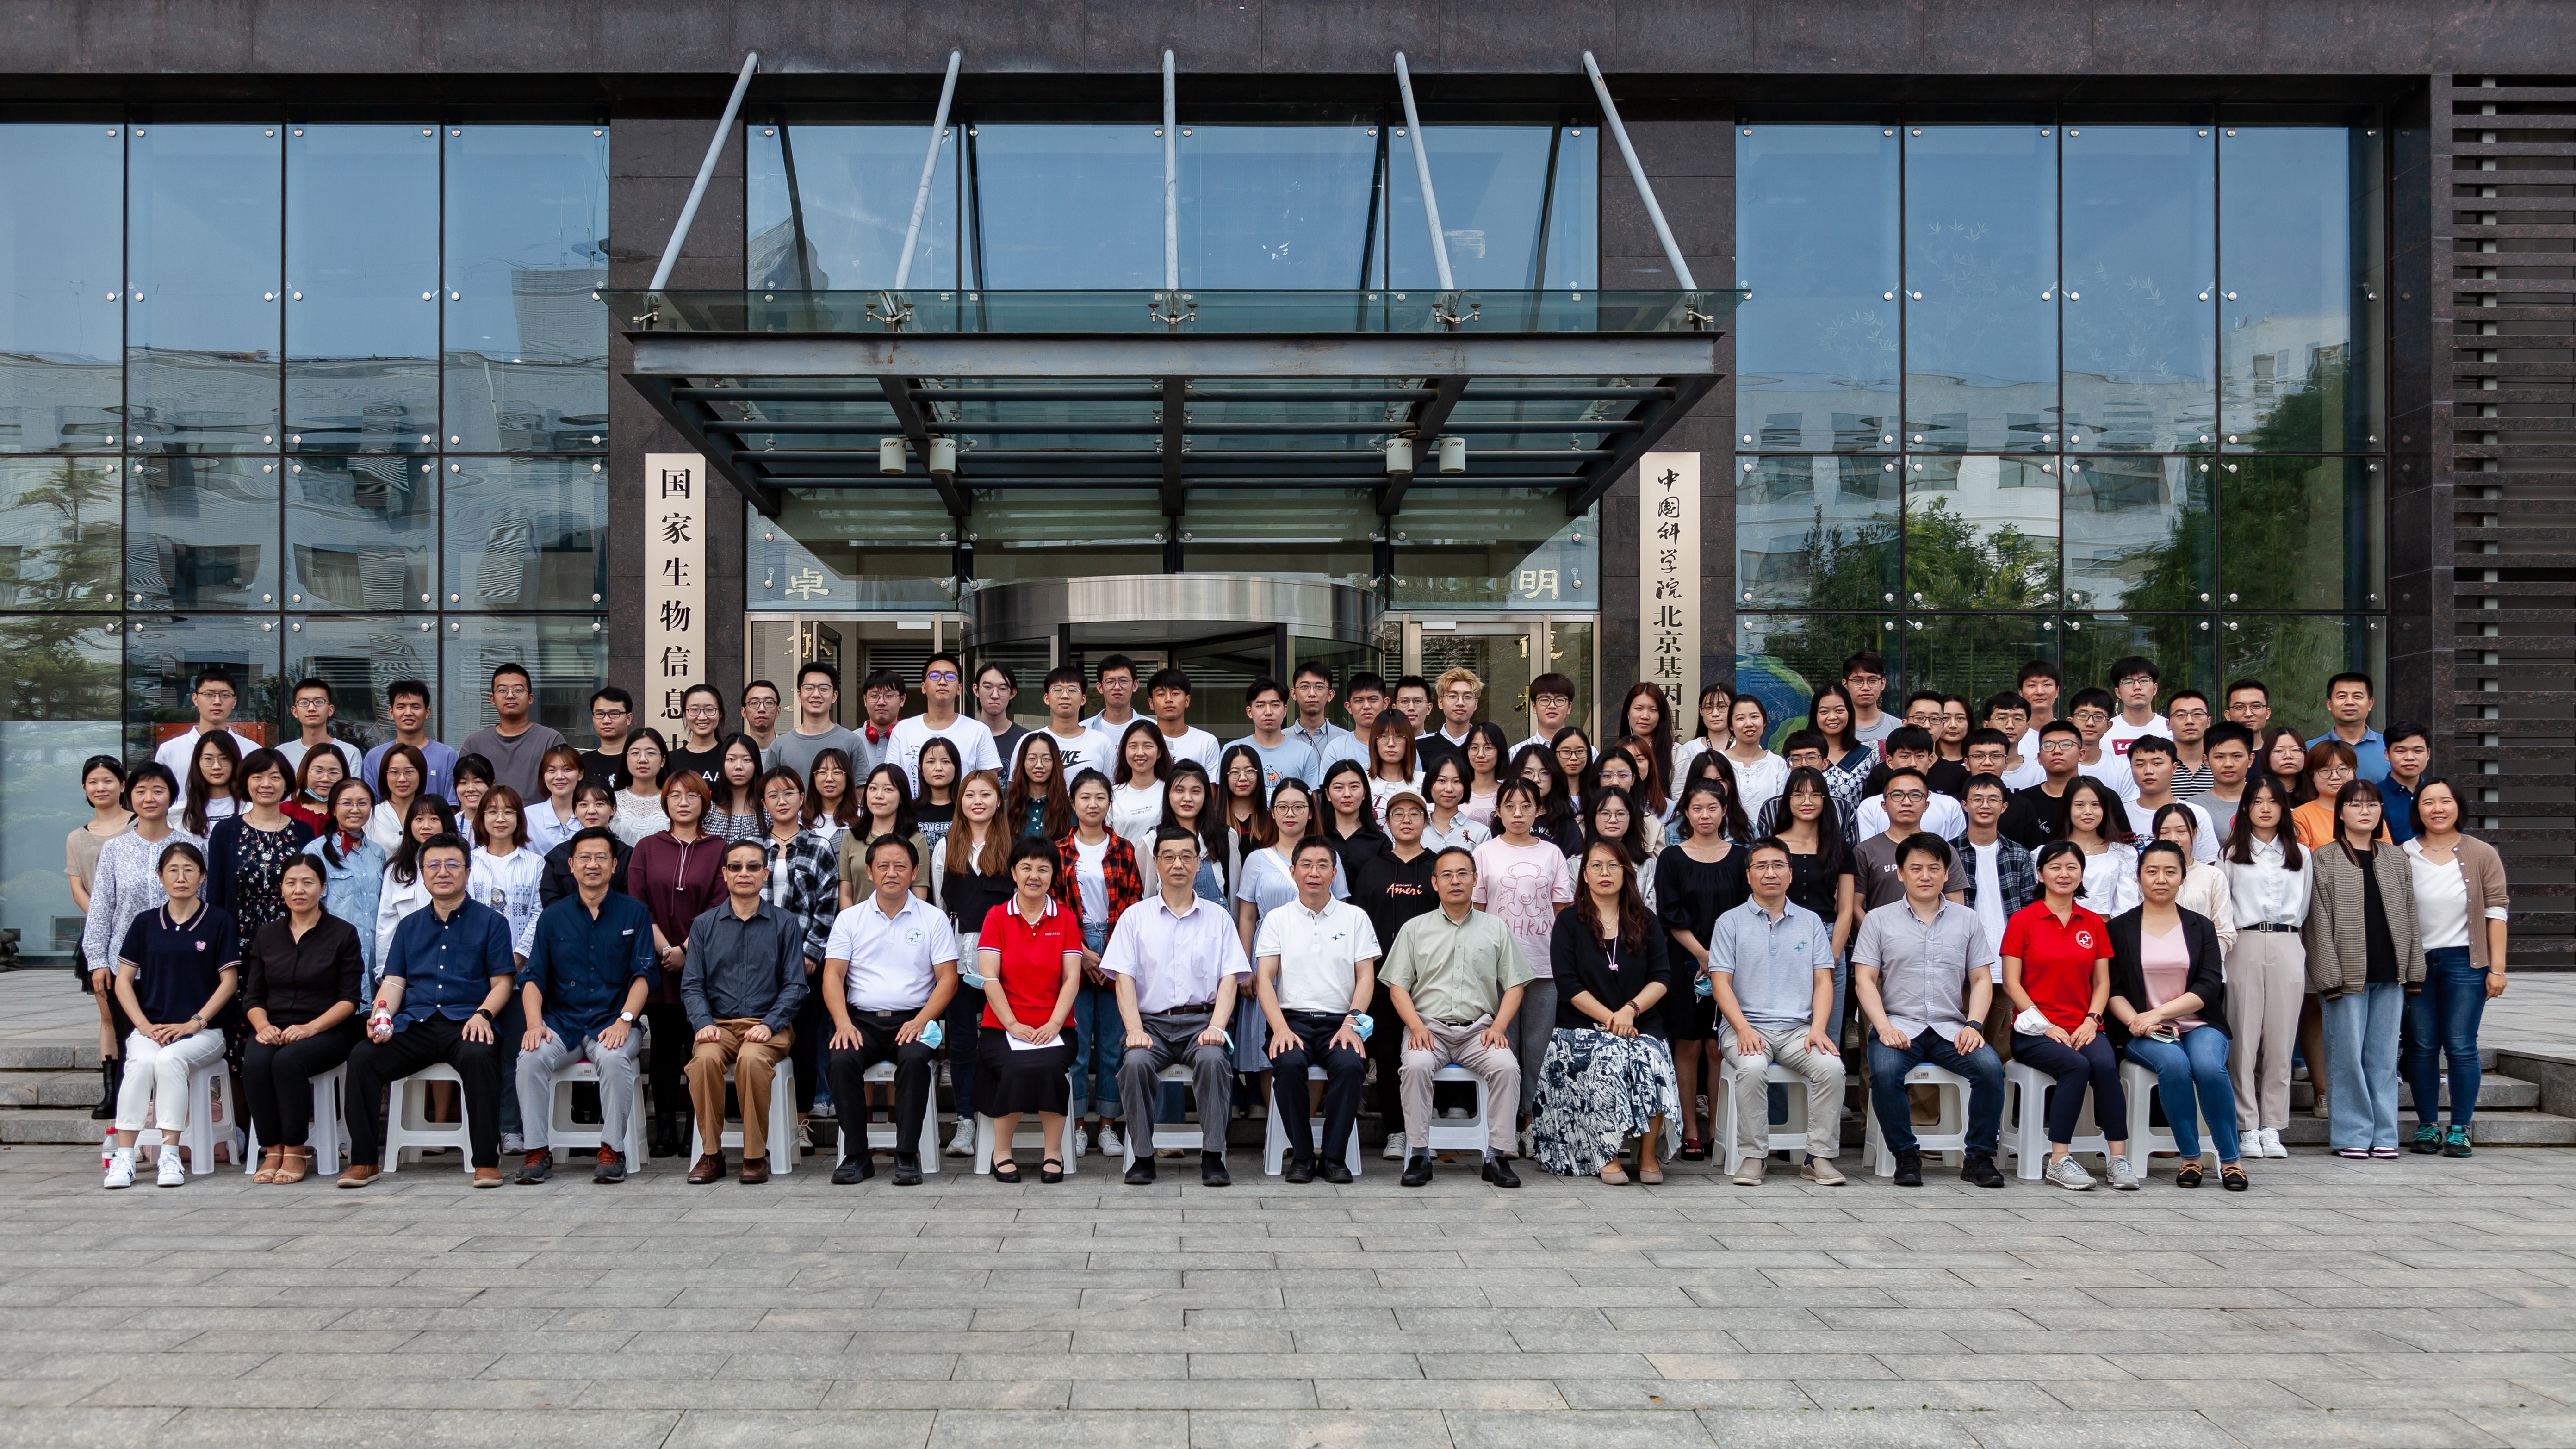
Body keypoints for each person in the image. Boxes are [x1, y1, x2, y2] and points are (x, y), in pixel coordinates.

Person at [336, 833, 517, 1188]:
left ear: (467, 872)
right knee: (362, 1056)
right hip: (416, 1023)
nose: (442, 872)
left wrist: (483, 1015)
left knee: (480, 1055)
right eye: (433, 865)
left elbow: (502, 983)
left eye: (452, 864)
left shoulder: (491, 922)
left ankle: (485, 1161)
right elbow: (394, 982)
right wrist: (381, 1013)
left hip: (467, 1022)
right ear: (422, 873)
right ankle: (364, 1161)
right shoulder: (409, 925)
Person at [1851, 832, 2009, 1188]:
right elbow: (1865, 980)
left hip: (1950, 1028)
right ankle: (1906, 1156)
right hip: (1898, 1025)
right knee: (1884, 1072)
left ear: (1946, 873)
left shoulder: (1967, 919)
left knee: (1989, 1069)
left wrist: (1974, 1024)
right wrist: (1884, 1027)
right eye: (1916, 868)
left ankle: (1978, 1157)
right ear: (1901, 874)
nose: (1925, 876)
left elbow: (1981, 978)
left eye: (1933, 868)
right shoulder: (1878, 919)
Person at [1104, 825, 1249, 1186]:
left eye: (1186, 856)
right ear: (1156, 863)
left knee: (1214, 1060)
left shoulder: (1218, 917)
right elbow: (1123, 979)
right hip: (1151, 1025)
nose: (1177, 864)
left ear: (1199, 863)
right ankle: (1143, 1157)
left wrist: (1217, 1027)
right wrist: (1134, 1030)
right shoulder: (1135, 917)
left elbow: (1229, 978)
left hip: (1201, 1022)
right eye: (1168, 857)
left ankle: (1213, 1155)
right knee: (1135, 1064)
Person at [509, 827, 655, 1185]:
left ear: (614, 865)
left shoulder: (635, 913)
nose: (593, 864)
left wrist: (625, 1020)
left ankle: (612, 1150)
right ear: (571, 865)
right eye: (585, 858)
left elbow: (644, 975)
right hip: (563, 1022)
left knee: (614, 1058)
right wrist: (534, 1024)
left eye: (601, 857)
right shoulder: (553, 916)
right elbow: (533, 978)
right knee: (530, 1057)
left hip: (614, 1020)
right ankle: (536, 1150)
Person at [1378, 846, 1529, 1187]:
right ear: (1435, 883)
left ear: (1475, 879)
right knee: (1415, 1066)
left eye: (1462, 873)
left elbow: (1516, 984)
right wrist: (1415, 1026)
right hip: (1428, 1028)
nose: (1455, 881)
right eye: (1446, 875)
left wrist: (1500, 1026)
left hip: (1479, 1031)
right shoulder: (1415, 929)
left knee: (1506, 1067)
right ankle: (1419, 1154)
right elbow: (1398, 987)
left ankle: (1496, 1156)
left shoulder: (1496, 928)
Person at [1531, 839, 1679, 1182]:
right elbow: (1567, 983)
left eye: (1613, 865)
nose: (1604, 873)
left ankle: (1647, 1156)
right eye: (1596, 866)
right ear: (1584, 875)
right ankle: (1606, 1154)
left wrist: (1630, 1010)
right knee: (1607, 1058)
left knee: (1652, 1058)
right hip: (1581, 1027)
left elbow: (1661, 978)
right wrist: (1611, 1018)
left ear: (1626, 872)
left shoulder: (1645, 920)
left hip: (1639, 1023)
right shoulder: (1569, 921)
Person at [822, 833, 961, 1186]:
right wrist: (842, 1023)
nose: (892, 873)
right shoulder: (850, 919)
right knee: (840, 1060)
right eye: (883, 866)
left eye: (901, 866)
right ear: (869, 871)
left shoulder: (933, 918)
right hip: (861, 1021)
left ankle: (906, 1155)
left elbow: (948, 979)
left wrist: (922, 1020)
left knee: (914, 1061)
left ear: (914, 872)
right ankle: (857, 1156)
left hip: (915, 1018)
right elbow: (833, 975)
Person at [2107, 841, 2246, 1190]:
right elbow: (2112, 989)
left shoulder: (2201, 926)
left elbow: (2208, 986)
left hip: (2199, 1024)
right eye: (2152, 871)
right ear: (2139, 876)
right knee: (2175, 1065)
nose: (2161, 879)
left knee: (2209, 1067)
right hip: (2141, 1030)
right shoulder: (2120, 928)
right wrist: (2137, 1022)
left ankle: (2231, 1160)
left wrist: (2155, 1013)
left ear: (2183, 877)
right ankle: (2190, 1158)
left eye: (2170, 872)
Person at [1707, 838, 1844, 1186]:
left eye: (1778, 865)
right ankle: (1754, 1157)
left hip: (1799, 1029)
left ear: (1790, 874)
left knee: (1831, 1067)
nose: (1771, 873)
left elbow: (1823, 981)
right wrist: (1742, 1028)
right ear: (1749, 875)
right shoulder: (1729, 922)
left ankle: (1818, 1157)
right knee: (1752, 1067)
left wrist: (1818, 1028)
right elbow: (1720, 984)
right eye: (1762, 866)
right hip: (1746, 1026)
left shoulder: (1811, 922)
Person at [102, 842, 238, 1189]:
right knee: (140, 1063)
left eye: (189, 870)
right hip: (153, 1028)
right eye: (173, 870)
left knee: (169, 1061)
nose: (181, 877)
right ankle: (124, 1156)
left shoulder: (219, 921)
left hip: (205, 1032)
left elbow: (229, 982)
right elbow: (123, 981)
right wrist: (143, 1026)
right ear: (161, 876)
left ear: (202, 876)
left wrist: (195, 1022)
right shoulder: (146, 923)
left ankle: (170, 1155)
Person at [2001, 840, 2135, 1190]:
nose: (2064, 874)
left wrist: (2092, 1019)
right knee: (2075, 1066)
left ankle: (2118, 1159)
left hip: (2083, 1025)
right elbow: (2011, 984)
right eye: (2055, 867)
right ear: (2040, 873)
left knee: (2105, 1065)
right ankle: (2059, 1160)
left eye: (2072, 867)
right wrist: (2045, 1026)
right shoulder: (2022, 920)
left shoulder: (2092, 922)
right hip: (2034, 1030)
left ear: (2081, 874)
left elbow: (2102, 982)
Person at [677, 837, 806, 1184]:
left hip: (768, 1026)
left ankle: (754, 1156)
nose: (744, 873)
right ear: (724, 874)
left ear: (765, 874)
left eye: (753, 867)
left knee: (751, 1060)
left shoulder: (785, 923)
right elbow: (692, 984)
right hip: (718, 1026)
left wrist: (770, 1024)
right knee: (703, 1061)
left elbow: (795, 985)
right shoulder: (704, 925)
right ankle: (711, 1155)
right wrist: (702, 1022)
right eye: (735, 867)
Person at [1254, 836, 1380, 1183]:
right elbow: (1264, 979)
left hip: (1340, 1021)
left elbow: (1366, 977)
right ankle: (1303, 1156)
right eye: (1306, 865)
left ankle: (1334, 1157)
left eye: (1322, 865)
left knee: (1351, 1066)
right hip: (1290, 1020)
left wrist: (1352, 1023)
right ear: (1293, 871)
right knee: (1288, 1065)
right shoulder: (1277, 919)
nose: (1314, 873)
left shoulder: (1355, 917)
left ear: (1334, 873)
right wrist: (1279, 1028)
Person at [2308, 780, 2421, 1159]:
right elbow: (2317, 923)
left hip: (2390, 973)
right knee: (2346, 1058)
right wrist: (2328, 977)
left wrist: (2414, 970)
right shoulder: (2324, 858)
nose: (2364, 811)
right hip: (2346, 976)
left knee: (2384, 1058)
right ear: (2340, 812)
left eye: (2371, 805)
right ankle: (2352, 1133)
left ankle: (2385, 1133)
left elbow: (2410, 915)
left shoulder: (2395, 858)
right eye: (2355, 805)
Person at [2401, 778, 2511, 1157]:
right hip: (2417, 962)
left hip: (2465, 961)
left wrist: (2497, 968)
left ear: (2457, 806)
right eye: (2427, 802)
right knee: (2420, 1045)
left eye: (2444, 801)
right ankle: (2428, 1126)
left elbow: (2496, 910)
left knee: (2461, 1044)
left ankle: (2460, 1128)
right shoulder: (2402, 854)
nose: (2437, 809)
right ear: (2417, 810)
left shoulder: (2481, 852)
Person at [239, 855, 363, 1184]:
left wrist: (310, 1028)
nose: (299, 890)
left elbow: (350, 999)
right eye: (291, 883)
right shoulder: (267, 935)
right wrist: (263, 1026)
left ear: (323, 887)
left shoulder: (343, 934)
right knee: (256, 1062)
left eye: (308, 883)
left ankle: (295, 1149)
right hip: (274, 1025)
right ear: (281, 888)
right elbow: (253, 996)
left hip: (328, 1028)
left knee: (288, 1061)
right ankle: (272, 1148)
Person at [1230, 776, 1343, 1115]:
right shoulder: (1257, 859)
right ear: (1272, 813)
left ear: (1311, 812)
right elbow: (1247, 915)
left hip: (1316, 956)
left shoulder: (1326, 857)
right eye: (1282, 807)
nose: (1290, 814)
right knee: (1270, 1039)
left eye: (1298, 807)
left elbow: (1342, 912)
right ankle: (1279, 1126)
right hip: (1267, 956)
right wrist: (1245, 968)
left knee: (1314, 1035)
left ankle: (1303, 1122)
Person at [974, 837, 1084, 1183]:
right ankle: (1001, 1152)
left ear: (1053, 876)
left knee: (1050, 1066)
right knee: (1015, 1067)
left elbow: (1072, 979)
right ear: (1013, 872)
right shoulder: (996, 917)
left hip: (1056, 1029)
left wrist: (1054, 1023)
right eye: (1026, 868)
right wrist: (1012, 1024)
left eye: (1043, 869)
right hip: (1001, 1029)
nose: (1034, 876)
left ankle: (1054, 1153)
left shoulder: (1065, 919)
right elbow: (989, 977)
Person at [629, 771, 727, 1158]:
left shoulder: (719, 849)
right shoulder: (647, 847)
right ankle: (666, 1127)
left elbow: (720, 904)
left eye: (692, 796)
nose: (683, 803)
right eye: (675, 796)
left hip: (704, 964)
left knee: (698, 1045)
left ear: (705, 801)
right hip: (659, 962)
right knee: (664, 1049)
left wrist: (687, 949)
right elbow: (638, 903)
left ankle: (695, 1131)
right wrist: (667, 949)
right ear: (665, 802)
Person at [1472, 779, 1574, 1145]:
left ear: (1538, 810)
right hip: (1497, 967)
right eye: (1510, 806)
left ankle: (1532, 1121)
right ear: (1498, 811)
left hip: (1542, 964)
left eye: (1526, 806)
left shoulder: (1552, 854)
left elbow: (1562, 912)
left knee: (1538, 1045)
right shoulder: (1484, 852)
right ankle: (1502, 1124)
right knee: (1502, 1044)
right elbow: (1477, 911)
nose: (1518, 813)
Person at [1654, 778, 1750, 1162]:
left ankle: (1718, 1130)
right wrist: (1702, 954)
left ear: (1724, 811)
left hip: (1735, 963)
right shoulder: (1671, 858)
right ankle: (1689, 1130)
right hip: (1684, 960)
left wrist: (1721, 958)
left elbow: (1747, 911)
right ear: (1685, 813)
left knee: (1717, 1047)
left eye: (1712, 808)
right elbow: (1669, 912)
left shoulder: (1742, 857)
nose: (1704, 815)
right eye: (1697, 808)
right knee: (1689, 1044)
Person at [1052, 769, 1144, 1154]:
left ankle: (1108, 1125)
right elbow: (1053, 905)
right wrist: (1081, 951)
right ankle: (1075, 1126)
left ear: (1109, 802)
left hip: (1115, 944)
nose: (1093, 804)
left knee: (1112, 1046)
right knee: (1075, 1046)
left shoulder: (1124, 848)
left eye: (1100, 797)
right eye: (1085, 797)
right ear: (1073, 803)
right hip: (1073, 946)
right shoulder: (1058, 850)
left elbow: (1134, 903)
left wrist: (1112, 955)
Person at [2222, 773, 2309, 1162]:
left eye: (2273, 801)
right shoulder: (2230, 853)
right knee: (2243, 1037)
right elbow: (2224, 907)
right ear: (2245, 807)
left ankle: (2273, 1124)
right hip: (2244, 941)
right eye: (2257, 801)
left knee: (2280, 1038)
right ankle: (2246, 1124)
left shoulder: (2301, 854)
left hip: (2288, 941)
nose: (2265, 808)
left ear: (2283, 807)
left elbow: (2304, 905)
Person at [754, 765, 839, 1156]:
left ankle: (800, 1123)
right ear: (764, 802)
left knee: (804, 1044)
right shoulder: (754, 849)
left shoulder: (819, 846)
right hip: (760, 965)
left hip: (806, 964)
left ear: (802, 798)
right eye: (773, 795)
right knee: (762, 1039)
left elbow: (828, 904)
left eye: (789, 793)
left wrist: (811, 953)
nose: (782, 800)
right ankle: (765, 1124)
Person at [1352, 789, 1439, 1160]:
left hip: (1430, 982)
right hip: (1383, 981)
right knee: (1389, 1059)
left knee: (1426, 1053)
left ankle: (1425, 1130)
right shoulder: (1373, 868)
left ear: (1425, 821)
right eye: (1398, 814)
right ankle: (1396, 1132)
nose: (1406, 820)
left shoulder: (1437, 866)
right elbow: (1358, 924)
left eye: (1414, 813)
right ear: (1386, 823)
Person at [931, 768, 1014, 1155]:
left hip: (1004, 960)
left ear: (999, 801)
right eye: (969, 795)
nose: (977, 801)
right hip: (959, 958)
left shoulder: (1013, 847)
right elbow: (938, 906)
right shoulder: (946, 846)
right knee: (962, 1042)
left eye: (985, 794)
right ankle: (965, 1119)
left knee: (999, 1037)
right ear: (960, 802)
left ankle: (999, 1116)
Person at [1950, 773, 2039, 1054]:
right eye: (1977, 799)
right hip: (1963, 963)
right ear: (1965, 805)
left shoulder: (2019, 854)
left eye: (1993, 800)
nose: (1985, 805)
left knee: (2001, 1050)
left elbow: (2030, 912)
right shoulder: (1948, 853)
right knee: (1960, 1047)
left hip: (2008, 963)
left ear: (2004, 807)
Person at [205, 748, 319, 959]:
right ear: (246, 782)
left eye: (275, 777)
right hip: (238, 937)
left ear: (286, 784)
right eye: (257, 777)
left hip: (292, 936)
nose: (266, 784)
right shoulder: (226, 832)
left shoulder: (303, 831)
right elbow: (215, 894)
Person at [1772, 765, 1859, 1037]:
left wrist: (1834, 954)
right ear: (1788, 800)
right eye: (1798, 795)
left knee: (1829, 1032)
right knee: (1781, 1027)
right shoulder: (1773, 846)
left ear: (1825, 800)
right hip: (1782, 940)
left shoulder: (1838, 847)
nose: (1806, 802)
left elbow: (1846, 909)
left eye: (1815, 795)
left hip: (1828, 938)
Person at [304, 778, 386, 989]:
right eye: (347, 803)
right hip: (332, 954)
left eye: (363, 803)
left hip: (373, 955)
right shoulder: (315, 852)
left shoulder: (378, 853)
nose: (355, 810)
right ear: (333, 808)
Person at [152, 668, 265, 819]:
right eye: (209, 694)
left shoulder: (252, 751)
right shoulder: (170, 750)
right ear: (195, 699)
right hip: (184, 828)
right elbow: (159, 795)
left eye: (225, 695)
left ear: (234, 702)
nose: (217, 701)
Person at [888, 652, 1003, 795]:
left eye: (950, 677)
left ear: (959, 688)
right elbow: (891, 782)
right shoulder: (903, 730)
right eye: (935, 676)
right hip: (912, 809)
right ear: (923, 687)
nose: (942, 682)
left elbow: (990, 787)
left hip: (963, 809)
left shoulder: (979, 731)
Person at [1853, 767, 1967, 911]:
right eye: (1897, 795)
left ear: (1926, 805)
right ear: (1884, 805)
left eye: (1915, 795)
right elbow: (1854, 906)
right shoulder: (1865, 851)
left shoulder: (1944, 850)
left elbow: (1957, 907)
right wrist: (1872, 926)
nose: (1906, 802)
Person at [462, 662, 568, 802]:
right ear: (492, 699)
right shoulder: (475, 744)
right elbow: (465, 795)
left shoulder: (551, 740)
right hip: (489, 816)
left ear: (530, 698)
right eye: (502, 690)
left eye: (518, 690)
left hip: (540, 816)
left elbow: (564, 791)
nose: (510, 695)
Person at [374, 796, 458, 969]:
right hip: (409, 964)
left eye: (434, 819)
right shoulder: (397, 870)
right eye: (419, 819)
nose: (426, 826)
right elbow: (386, 925)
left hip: (454, 962)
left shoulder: (461, 866)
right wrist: (385, 972)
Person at [468, 787, 546, 964]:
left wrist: (520, 956)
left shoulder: (536, 864)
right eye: (493, 812)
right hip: (475, 964)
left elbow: (539, 913)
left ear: (519, 818)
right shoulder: (469, 863)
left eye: (508, 812)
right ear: (482, 817)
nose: (500, 819)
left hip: (524, 966)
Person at [837, 764, 931, 906]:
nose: (879, 796)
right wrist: (850, 920)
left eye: (888, 790)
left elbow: (919, 897)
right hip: (859, 919)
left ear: (902, 797)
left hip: (904, 918)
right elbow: (845, 894)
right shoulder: (851, 837)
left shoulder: (916, 840)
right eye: (873, 788)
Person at [2152, 805, 2238, 955]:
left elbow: (2224, 931)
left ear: (2194, 833)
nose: (2174, 838)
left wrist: (2210, 962)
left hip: (2205, 962)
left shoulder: (2213, 876)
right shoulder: (2146, 877)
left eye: (2181, 831)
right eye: (2165, 832)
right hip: (2157, 959)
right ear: (2156, 836)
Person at [1855, 728, 1967, 839]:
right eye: (1905, 756)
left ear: (1930, 760)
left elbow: (1956, 848)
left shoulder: (1950, 806)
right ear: (1890, 761)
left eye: (1920, 756)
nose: (1913, 764)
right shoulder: (1870, 807)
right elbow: (1868, 849)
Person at [362, 679, 457, 805]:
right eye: (401, 707)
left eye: (415, 707)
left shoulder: (447, 756)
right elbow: (368, 805)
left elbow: (452, 806)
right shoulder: (374, 757)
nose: (408, 713)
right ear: (391, 712)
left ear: (427, 712)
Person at [2055, 777, 2140, 918]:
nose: (2088, 811)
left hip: (2108, 929)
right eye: (2080, 805)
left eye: (2095, 805)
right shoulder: (2048, 854)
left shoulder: (2123, 854)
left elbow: (2128, 908)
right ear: (2068, 808)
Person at [2122, 739, 2217, 862]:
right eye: (2140, 765)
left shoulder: (2196, 813)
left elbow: (2208, 863)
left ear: (2174, 768)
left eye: (2157, 763)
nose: (2148, 771)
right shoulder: (2119, 814)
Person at [768, 662, 863, 785]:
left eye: (824, 689)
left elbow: (860, 791)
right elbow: (769, 789)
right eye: (809, 688)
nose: (816, 695)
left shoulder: (852, 742)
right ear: (799, 695)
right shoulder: (780, 746)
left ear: (834, 696)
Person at [540, 783, 630, 908]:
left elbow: (632, 899)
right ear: (575, 811)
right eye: (583, 805)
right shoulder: (559, 855)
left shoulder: (628, 855)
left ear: (613, 809)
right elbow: (550, 899)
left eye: (600, 804)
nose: (591, 811)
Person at [1227, 677, 1322, 793]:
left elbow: (1310, 800)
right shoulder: (1233, 750)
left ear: (1285, 710)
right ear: (1249, 712)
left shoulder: (1305, 752)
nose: (1268, 712)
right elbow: (1224, 797)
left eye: (1275, 705)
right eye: (1260, 706)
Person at [2001, 720, 2085, 849]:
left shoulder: (2100, 797)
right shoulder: (2022, 802)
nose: (2057, 751)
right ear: (2039, 758)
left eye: (2066, 745)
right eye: (2049, 746)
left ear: (2081, 755)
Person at [1808, 684, 1875, 831]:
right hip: (1809, 835)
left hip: (1854, 834)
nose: (1832, 717)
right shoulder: (1803, 755)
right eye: (1824, 712)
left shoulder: (1867, 756)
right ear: (1815, 715)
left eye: (1839, 711)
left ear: (1850, 713)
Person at [2290, 740, 2380, 849]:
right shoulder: (2301, 816)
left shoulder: (2370, 810)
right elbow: (2304, 857)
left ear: (2354, 770)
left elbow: (2386, 854)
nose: (2335, 777)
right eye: (2325, 771)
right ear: (2312, 775)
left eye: (2343, 769)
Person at [275, 677, 361, 780]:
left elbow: (351, 789)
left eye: (319, 702)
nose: (311, 708)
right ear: (295, 711)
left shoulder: (350, 753)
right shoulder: (282, 753)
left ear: (330, 710)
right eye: (304, 703)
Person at [1286, 661, 1365, 775]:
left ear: (1330, 695)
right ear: (1294, 694)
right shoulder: (1283, 739)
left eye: (1319, 687)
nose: (1312, 693)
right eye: (1305, 687)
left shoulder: (1346, 740)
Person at [2309, 672, 2388, 784]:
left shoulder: (2388, 747)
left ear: (2370, 704)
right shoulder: (2311, 748)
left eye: (2357, 696)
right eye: (2342, 696)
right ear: (2329, 704)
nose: (2350, 702)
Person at [1109, 720, 1172, 858]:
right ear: (1124, 751)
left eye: (1148, 746)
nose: (1140, 753)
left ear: (1159, 752)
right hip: (1123, 868)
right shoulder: (1112, 794)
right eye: (1133, 746)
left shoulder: (1170, 792)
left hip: (1162, 868)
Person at [1143, 665, 1221, 776]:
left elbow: (1210, 785)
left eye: (1175, 694)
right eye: (1161, 694)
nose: (1168, 699)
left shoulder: (1207, 742)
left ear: (1187, 700)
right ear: (1151, 703)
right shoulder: (1142, 741)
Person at [1413, 666, 1484, 783]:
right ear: (1440, 702)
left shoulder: (1485, 747)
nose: (1460, 703)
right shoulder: (1418, 746)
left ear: (1476, 704)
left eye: (1467, 697)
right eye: (1453, 696)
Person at [1008, 732, 1076, 846]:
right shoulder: (1008, 807)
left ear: (1055, 762)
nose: (1039, 765)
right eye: (1032, 758)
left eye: (1046, 759)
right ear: (1022, 762)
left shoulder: (1070, 808)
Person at [2099, 655, 2171, 763]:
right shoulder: (2104, 732)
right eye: (2128, 682)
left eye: (2144, 680)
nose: (2137, 687)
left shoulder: (2170, 729)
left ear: (2155, 688)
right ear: (2118, 692)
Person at [1316, 759, 1386, 868]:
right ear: (1328, 794)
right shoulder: (1316, 837)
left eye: (1354, 787)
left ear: (1365, 792)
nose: (1347, 794)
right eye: (1339, 788)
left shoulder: (1381, 842)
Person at [180, 728, 247, 839]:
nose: (217, 766)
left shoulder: (250, 809)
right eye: (208, 759)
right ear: (198, 762)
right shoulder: (179, 814)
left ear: (234, 762)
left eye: (224, 758)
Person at [365, 743, 430, 856]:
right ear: (385, 776)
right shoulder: (371, 816)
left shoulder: (433, 815)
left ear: (421, 775)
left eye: (409, 772)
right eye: (394, 772)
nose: (402, 779)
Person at [1080, 654, 1145, 764]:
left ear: (1135, 685)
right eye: (1110, 682)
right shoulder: (1083, 729)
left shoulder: (1153, 728)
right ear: (1100, 687)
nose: (1117, 687)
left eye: (1124, 681)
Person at [612, 729, 673, 846]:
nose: (643, 760)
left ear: (663, 761)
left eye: (651, 753)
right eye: (635, 753)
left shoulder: (673, 800)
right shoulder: (612, 801)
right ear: (626, 759)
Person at [523, 744, 587, 853]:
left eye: (567, 769)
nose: (559, 777)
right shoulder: (527, 817)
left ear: (580, 774)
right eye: (551, 771)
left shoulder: (591, 815)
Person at [969, 662, 1028, 781]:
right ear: (976, 690)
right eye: (988, 687)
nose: (995, 695)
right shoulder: (967, 736)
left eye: (1003, 689)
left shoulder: (1026, 740)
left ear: (1012, 693)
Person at [703, 734, 767, 842]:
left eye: (747, 760)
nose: (739, 767)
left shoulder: (768, 811)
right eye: (731, 759)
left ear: (756, 764)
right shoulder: (707, 810)